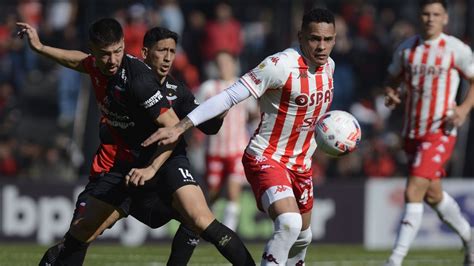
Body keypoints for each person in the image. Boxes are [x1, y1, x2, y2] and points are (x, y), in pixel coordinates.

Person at [17, 19, 255, 266]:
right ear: (94, 51)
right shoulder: (98, 66)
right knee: (82, 228)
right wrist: (40, 48)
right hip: (128, 163)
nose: (111, 60)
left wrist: (151, 168)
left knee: (199, 218)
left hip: (165, 159)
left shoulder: (139, 81)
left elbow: (173, 131)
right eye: (104, 54)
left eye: (117, 52)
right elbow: (79, 61)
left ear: (123, 46)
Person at [143, 8, 337, 265]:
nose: (322, 46)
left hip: (301, 164)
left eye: (327, 39)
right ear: (300, 37)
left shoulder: (329, 67)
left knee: (303, 236)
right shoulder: (279, 65)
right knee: (289, 223)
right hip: (266, 157)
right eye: (314, 39)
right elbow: (229, 95)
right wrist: (181, 127)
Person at [383, 1, 474, 265]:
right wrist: (390, 93)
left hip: (441, 129)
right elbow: (392, 79)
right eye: (426, 13)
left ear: (445, 18)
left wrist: (465, 109)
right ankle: (469, 237)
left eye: (436, 14)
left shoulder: (456, 49)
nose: (430, 18)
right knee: (432, 194)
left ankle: (394, 259)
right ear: (419, 16)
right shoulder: (407, 49)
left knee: (413, 190)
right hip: (412, 131)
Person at [197, 50, 257, 230]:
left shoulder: (243, 86)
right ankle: (211, 229)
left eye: (227, 62)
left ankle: (229, 233)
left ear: (234, 64)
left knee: (233, 191)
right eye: (220, 63)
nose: (224, 67)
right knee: (213, 193)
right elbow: (196, 112)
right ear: (215, 67)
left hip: (237, 149)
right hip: (214, 149)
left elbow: (252, 114)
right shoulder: (207, 88)